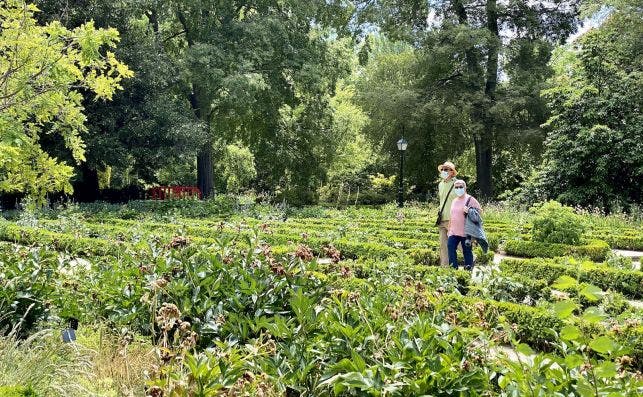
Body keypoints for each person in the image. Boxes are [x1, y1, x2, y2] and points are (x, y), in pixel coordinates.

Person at [447, 179, 482, 271]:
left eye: (460, 187)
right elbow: (452, 215)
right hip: (453, 231)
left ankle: (467, 271)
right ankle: (453, 269)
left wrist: (470, 210)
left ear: (465, 188)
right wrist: (449, 229)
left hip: (466, 233)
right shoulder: (454, 200)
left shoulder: (470, 199)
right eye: (456, 187)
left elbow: (480, 213)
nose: (458, 189)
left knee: (467, 252)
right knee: (450, 248)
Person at [437, 161, 458, 266]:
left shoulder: (457, 184)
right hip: (442, 218)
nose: (443, 171)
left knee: (457, 243)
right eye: (442, 169)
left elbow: (463, 200)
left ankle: (471, 257)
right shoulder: (440, 185)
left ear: (452, 172)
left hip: (452, 219)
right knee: (443, 244)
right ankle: (444, 267)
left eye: (446, 169)